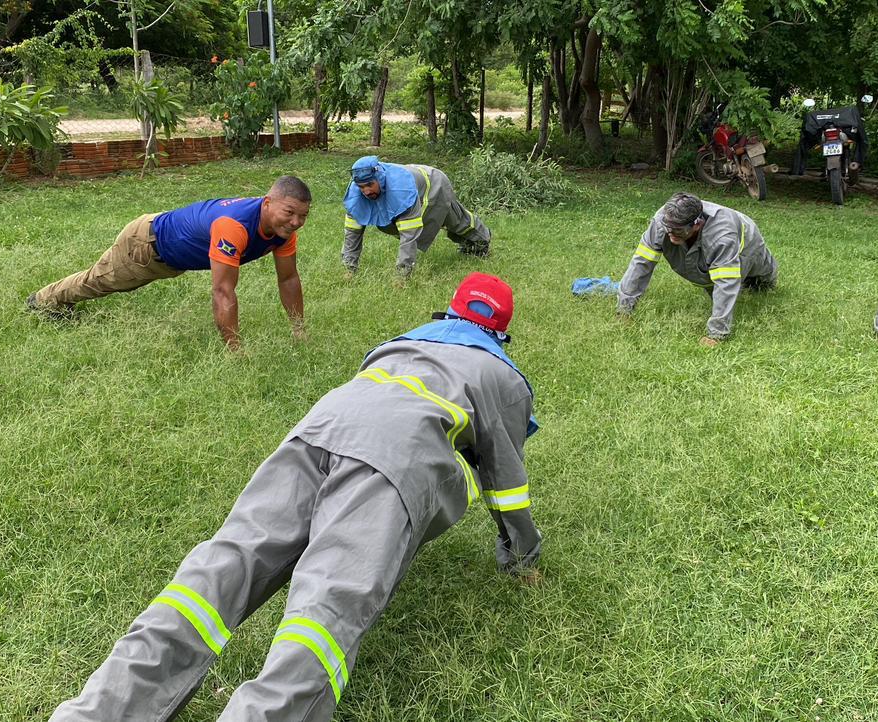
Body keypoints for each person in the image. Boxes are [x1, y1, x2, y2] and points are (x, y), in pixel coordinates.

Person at [50, 273, 541, 722]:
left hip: (317, 430)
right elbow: (507, 486)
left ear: (448, 312)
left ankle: (98, 711)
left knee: (220, 571)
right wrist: (523, 556)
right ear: (501, 333)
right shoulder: (505, 378)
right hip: (395, 460)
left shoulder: (399, 344)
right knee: (325, 613)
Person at [27, 176, 312, 350]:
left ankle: (51, 301)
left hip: (169, 247)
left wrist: (299, 330)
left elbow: (288, 279)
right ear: (266, 203)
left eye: (303, 216)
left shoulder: (282, 231)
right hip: (146, 245)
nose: (296, 222)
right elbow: (223, 291)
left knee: (105, 282)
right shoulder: (233, 226)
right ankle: (41, 301)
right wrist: (235, 351)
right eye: (289, 212)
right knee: (99, 281)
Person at [617, 192, 778, 345]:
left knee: (762, 282)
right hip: (705, 236)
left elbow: (726, 282)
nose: (670, 233)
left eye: (677, 230)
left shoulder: (722, 237)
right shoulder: (663, 221)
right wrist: (624, 311)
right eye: (668, 227)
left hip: (747, 238)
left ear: (697, 224)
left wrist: (716, 335)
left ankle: (767, 280)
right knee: (708, 280)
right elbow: (641, 263)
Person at [342, 156, 491, 277]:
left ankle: (481, 241)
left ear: (379, 178)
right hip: (415, 178)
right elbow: (352, 235)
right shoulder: (355, 197)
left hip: (435, 185)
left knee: (455, 220)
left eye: (370, 185)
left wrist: (402, 276)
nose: (366, 191)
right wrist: (349, 269)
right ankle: (470, 245)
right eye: (361, 187)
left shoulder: (401, 192)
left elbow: (409, 236)